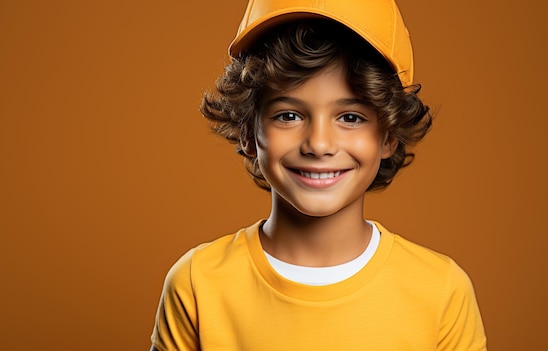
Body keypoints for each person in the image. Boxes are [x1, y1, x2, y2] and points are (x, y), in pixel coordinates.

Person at [150, 0, 487, 350]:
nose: (319, 144)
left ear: (388, 135)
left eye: (351, 118)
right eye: (288, 116)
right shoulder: (197, 284)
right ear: (249, 133)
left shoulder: (441, 290)